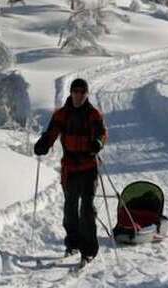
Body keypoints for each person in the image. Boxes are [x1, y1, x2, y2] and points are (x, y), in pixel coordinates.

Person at [33, 77, 107, 267]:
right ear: (71, 93)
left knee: (87, 209)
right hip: (70, 168)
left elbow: (102, 133)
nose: (79, 95)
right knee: (70, 209)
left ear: (86, 94)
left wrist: (97, 143)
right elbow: (51, 132)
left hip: (89, 167)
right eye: (76, 91)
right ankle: (72, 244)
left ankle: (88, 251)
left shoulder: (93, 114)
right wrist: (43, 144)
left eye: (83, 92)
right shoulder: (62, 114)